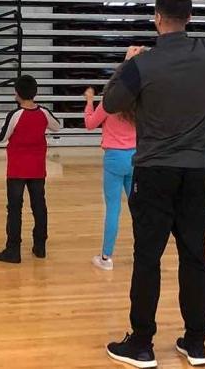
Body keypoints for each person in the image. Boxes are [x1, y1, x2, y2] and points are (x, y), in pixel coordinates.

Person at [103, 0, 205, 368]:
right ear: (190, 17)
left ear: (157, 19)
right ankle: (195, 343)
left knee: (148, 256)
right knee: (194, 255)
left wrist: (125, 63)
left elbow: (111, 103)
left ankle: (142, 343)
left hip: (154, 174)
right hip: (197, 173)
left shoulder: (142, 64)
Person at [0, 74, 61, 263]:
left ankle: (13, 250)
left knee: (14, 209)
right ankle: (40, 246)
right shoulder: (43, 112)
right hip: (37, 169)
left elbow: (2, 137)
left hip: (17, 170)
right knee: (39, 206)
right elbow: (57, 126)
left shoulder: (15, 114)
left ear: (17, 94)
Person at [84, 85, 136, 271]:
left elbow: (90, 124)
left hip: (114, 158)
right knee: (138, 208)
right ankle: (141, 253)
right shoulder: (138, 103)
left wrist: (89, 102)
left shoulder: (108, 104)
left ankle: (106, 257)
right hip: (136, 158)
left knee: (113, 209)